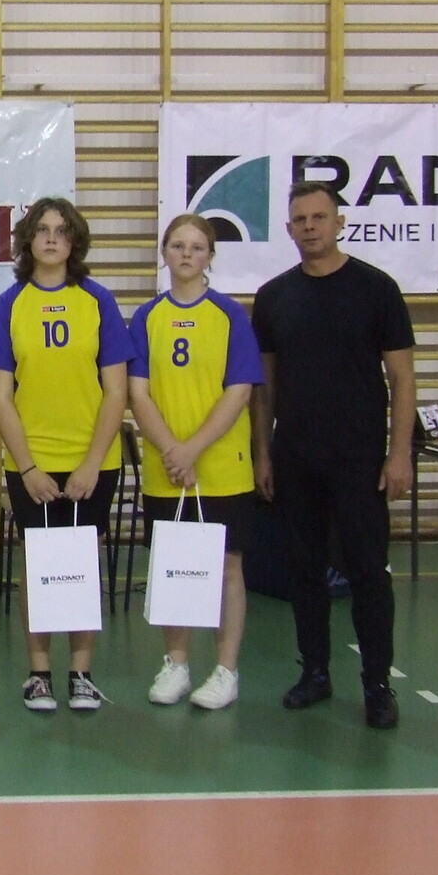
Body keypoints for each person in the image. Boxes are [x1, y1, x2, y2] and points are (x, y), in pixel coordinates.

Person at [251, 180, 416, 730]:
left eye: (319, 217)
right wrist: (263, 454)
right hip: (296, 458)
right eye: (300, 219)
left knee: (368, 572)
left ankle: (377, 685)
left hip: (360, 461)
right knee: (303, 572)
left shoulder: (376, 289)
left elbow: (402, 377)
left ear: (339, 222)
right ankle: (316, 672)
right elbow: (264, 388)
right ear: (289, 228)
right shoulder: (274, 296)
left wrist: (399, 454)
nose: (310, 227)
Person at [0, 196, 131, 713]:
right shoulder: (8, 305)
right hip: (32, 463)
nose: (51, 238)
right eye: (42, 229)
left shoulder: (98, 301)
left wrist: (91, 464)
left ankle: (81, 674)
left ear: (74, 242)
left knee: (84, 562)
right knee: (38, 563)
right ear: (27, 239)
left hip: (93, 461)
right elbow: (1, 396)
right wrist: (28, 467)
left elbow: (116, 390)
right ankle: (38, 673)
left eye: (62, 231)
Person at [128, 214, 263, 710]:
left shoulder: (230, 315)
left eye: (197, 246)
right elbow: (137, 392)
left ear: (210, 256)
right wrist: (171, 449)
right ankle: (177, 664)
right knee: (173, 564)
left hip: (222, 466)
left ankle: (226, 670)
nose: (187, 254)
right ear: (164, 252)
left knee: (228, 567)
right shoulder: (146, 317)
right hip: (167, 469)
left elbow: (239, 390)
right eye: (178, 245)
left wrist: (193, 449)